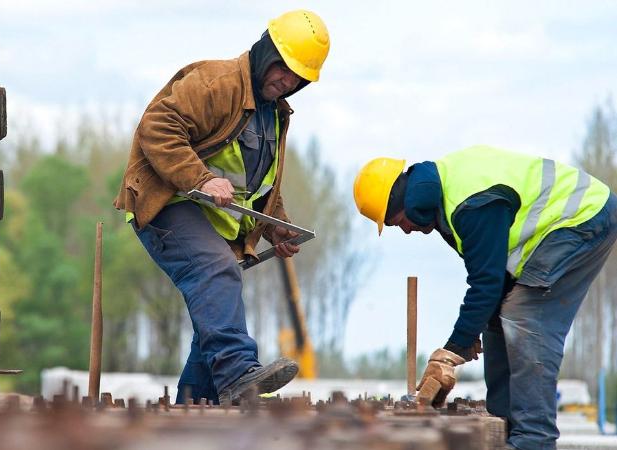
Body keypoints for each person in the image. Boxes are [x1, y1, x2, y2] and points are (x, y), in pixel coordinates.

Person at [114, 10, 330, 406]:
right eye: (284, 68)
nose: (288, 80)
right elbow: (156, 127)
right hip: (168, 203)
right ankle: (236, 373)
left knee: (212, 312)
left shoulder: (275, 114)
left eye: (299, 77)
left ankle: (194, 406)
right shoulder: (216, 82)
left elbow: (260, 183)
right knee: (216, 269)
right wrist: (200, 179)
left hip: (209, 221)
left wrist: (276, 226)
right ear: (266, 52)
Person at [353, 145, 617, 450]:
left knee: (525, 317)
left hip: (584, 217)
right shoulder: (446, 204)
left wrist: (451, 351)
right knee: (497, 324)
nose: (407, 230)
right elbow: (494, 278)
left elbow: (486, 283)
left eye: (398, 222)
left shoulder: (470, 205)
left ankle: (533, 440)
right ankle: (505, 428)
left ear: (406, 204)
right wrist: (474, 332)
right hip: (566, 227)